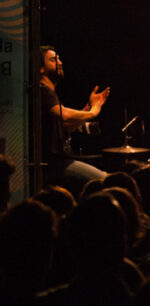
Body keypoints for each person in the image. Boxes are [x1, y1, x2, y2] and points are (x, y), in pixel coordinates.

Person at [39, 46, 110, 196]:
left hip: (60, 161)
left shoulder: (50, 94)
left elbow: (67, 126)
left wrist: (89, 107)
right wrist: (93, 112)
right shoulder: (42, 90)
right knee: (106, 181)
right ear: (41, 69)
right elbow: (64, 115)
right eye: (53, 60)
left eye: (59, 58)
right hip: (54, 164)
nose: (60, 62)